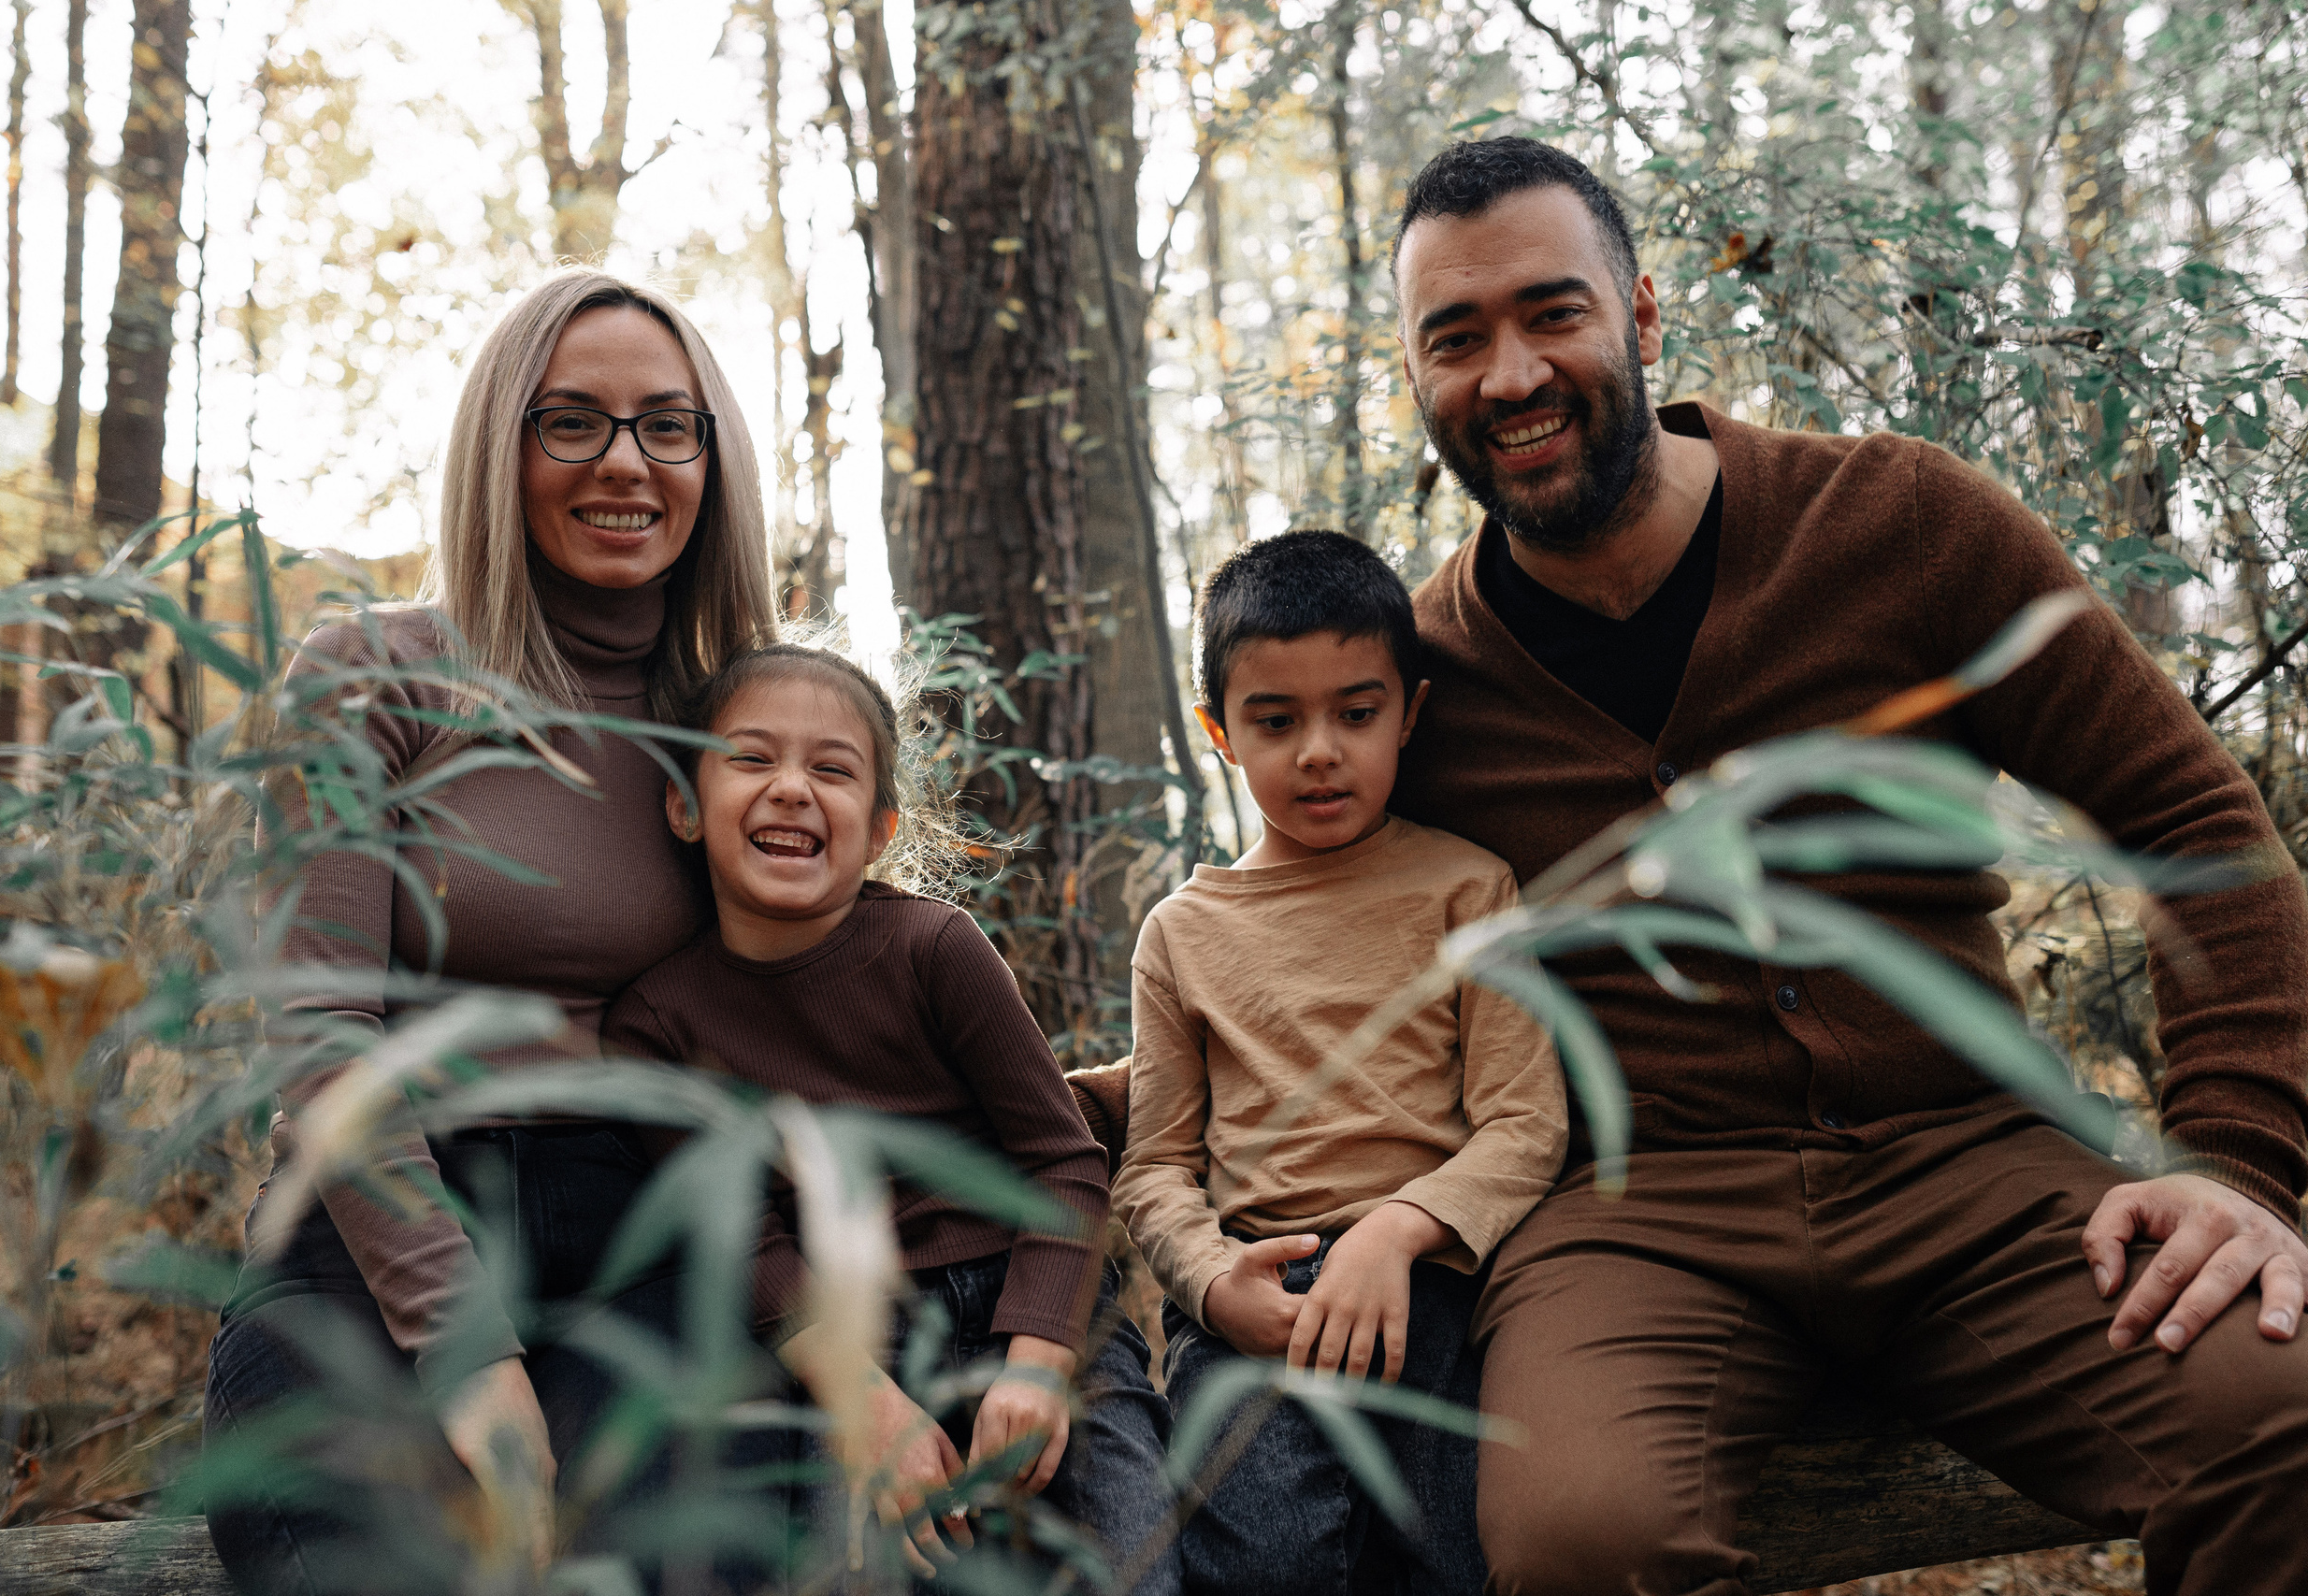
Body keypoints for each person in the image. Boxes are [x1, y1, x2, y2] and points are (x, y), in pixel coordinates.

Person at [1385, 136, 2308, 1594]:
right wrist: (1098, 1100)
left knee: (2280, 1417)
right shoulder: (1419, 685)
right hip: (1632, 1218)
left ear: (1643, 313)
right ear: (1415, 374)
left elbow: (2194, 822)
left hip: (1976, 1168)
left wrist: (2237, 1158)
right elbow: (1298, 943)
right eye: (1456, 338)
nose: (1510, 375)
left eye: (1553, 313)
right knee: (1581, 1540)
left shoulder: (1901, 523)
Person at [203, 271, 776, 1594]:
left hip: (648, 1242)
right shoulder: (375, 671)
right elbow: (319, 1021)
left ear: (712, 459)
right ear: (498, 447)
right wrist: (464, 1344)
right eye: (570, 420)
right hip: (371, 1238)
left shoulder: (743, 721)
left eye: (666, 424)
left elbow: (845, 995)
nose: (624, 461)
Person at [599, 643, 1179, 1595]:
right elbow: (748, 1245)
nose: (792, 788)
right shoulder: (655, 1025)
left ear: (878, 830)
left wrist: (1037, 1362)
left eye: (832, 770)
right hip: (853, 1346)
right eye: (752, 758)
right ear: (684, 805)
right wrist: (867, 1407)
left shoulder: (934, 947)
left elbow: (1064, 1163)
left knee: (1132, 1564)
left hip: (1030, 1300)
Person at [1112, 532, 1568, 1596]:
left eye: (1356, 714)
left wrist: (1398, 1232)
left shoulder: (1470, 891)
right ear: (1220, 733)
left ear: (1409, 713)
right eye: (1276, 721)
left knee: (1449, 1560)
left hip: (1434, 1289)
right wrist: (1213, 1282)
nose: (1319, 751)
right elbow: (1155, 1163)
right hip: (1255, 1300)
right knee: (1260, 1565)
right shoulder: (1182, 933)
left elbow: (1525, 1120)